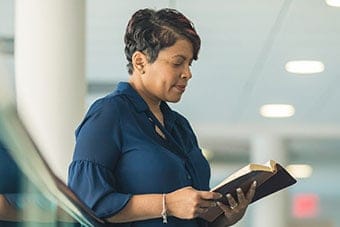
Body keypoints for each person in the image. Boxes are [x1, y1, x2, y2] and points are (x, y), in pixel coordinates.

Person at [68, 8, 256, 227]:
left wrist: (225, 217)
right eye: (178, 63)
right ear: (140, 62)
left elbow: (191, 217)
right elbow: (85, 201)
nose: (187, 73)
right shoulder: (109, 113)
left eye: (190, 64)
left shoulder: (180, 126)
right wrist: (167, 204)